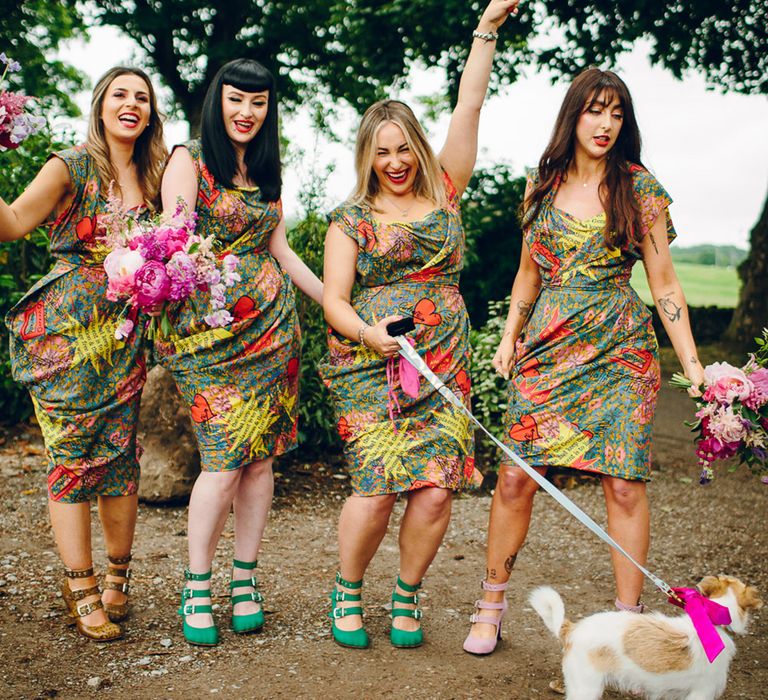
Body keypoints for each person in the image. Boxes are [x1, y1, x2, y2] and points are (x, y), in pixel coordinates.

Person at [462, 67, 705, 657]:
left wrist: (694, 368)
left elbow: (664, 283)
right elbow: (528, 273)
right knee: (517, 476)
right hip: (547, 348)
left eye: (617, 113)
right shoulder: (540, 183)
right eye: (596, 110)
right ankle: (490, 605)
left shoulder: (639, 187)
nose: (606, 123)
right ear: (574, 115)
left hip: (620, 348)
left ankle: (629, 625)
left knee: (623, 485)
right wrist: (509, 334)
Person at [320, 0, 521, 650]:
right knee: (377, 490)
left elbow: (470, 107)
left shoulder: (445, 192)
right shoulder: (350, 219)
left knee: (435, 491)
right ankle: (347, 591)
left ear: (419, 149)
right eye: (383, 152)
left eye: (405, 147)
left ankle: (407, 594)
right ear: (367, 156)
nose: (396, 161)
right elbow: (334, 302)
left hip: (442, 362)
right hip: (371, 361)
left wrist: (486, 30)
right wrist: (369, 335)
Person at [159, 58, 322, 646]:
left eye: (258, 102)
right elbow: (173, 245)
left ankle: (244, 579)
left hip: (274, 336)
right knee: (223, 460)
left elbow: (279, 249)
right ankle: (196, 583)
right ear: (216, 102)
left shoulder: (267, 171)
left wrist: (335, 304)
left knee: (260, 460)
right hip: (211, 336)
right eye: (236, 99)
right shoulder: (190, 160)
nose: (247, 112)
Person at [2, 67, 167, 641]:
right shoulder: (69, 165)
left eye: (141, 97)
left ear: (150, 114)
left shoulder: (159, 175)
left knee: (121, 456)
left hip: (125, 334)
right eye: (120, 94)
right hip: (66, 335)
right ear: (100, 106)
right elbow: (15, 223)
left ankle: (120, 577)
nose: (131, 104)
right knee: (73, 454)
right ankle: (80, 584)